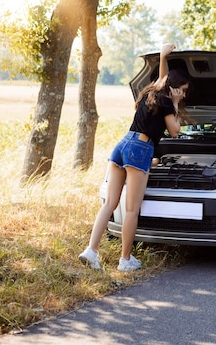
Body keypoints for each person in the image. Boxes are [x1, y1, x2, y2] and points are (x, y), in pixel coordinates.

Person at [79, 43, 190, 271]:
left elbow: (162, 79)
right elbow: (175, 131)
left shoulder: (151, 92)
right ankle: (125, 260)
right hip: (141, 148)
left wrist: (163, 56)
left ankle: (91, 251)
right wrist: (177, 102)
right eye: (184, 89)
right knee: (131, 209)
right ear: (176, 88)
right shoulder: (168, 101)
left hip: (123, 144)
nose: (185, 94)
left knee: (110, 203)